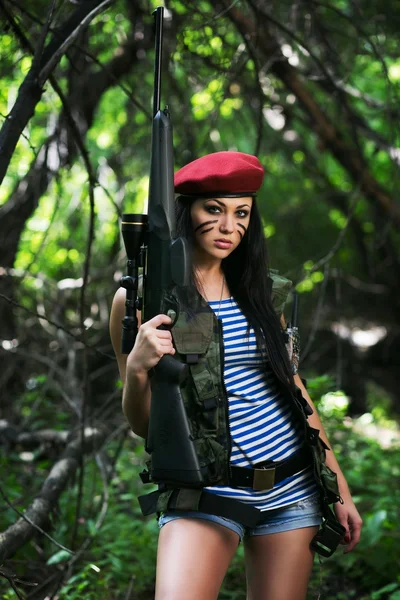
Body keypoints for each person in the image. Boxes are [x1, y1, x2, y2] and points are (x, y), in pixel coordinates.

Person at [110, 151, 362, 600]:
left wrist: (337, 486)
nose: (229, 227)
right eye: (215, 209)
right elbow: (143, 425)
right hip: (205, 492)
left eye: (241, 212)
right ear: (186, 211)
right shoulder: (139, 299)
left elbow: (294, 388)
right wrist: (136, 365)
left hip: (292, 488)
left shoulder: (261, 291)